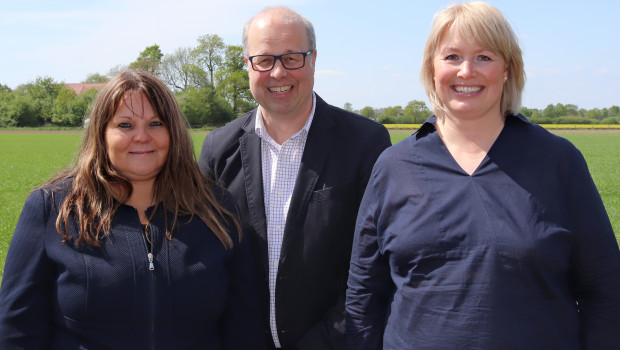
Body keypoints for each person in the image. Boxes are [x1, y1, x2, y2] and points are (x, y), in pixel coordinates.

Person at [345, 2, 620, 349]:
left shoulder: (558, 161)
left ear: (507, 69)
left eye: (484, 57)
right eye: (452, 57)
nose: (466, 71)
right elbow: (364, 296)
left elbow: (606, 290)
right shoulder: (393, 167)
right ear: (432, 68)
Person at [0, 70, 265, 349]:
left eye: (155, 123)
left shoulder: (216, 209)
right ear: (102, 133)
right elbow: (17, 328)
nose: (142, 137)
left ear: (172, 132)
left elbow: (245, 327)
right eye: (125, 125)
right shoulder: (52, 209)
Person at [198, 6, 391, 349]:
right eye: (264, 60)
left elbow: (372, 269)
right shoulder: (218, 149)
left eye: (291, 58)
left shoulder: (365, 143)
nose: (277, 73)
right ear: (247, 64)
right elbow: (206, 261)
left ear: (313, 59)